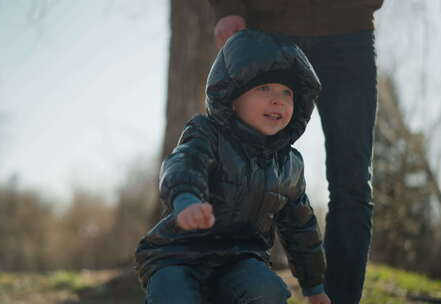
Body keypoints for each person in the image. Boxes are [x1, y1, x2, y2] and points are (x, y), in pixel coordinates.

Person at [135, 29, 330, 304]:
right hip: (178, 256)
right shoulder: (207, 133)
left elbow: (302, 229)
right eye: (264, 88)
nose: (278, 99)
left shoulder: (290, 164)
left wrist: (314, 286)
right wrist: (187, 198)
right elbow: (185, 161)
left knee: (267, 291)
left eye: (287, 92)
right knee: (174, 294)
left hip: (240, 260)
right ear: (234, 98)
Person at [207, 1, 383, 303]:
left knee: (351, 183)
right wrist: (228, 6)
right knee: (237, 167)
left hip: (348, 30)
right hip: (269, 29)